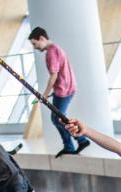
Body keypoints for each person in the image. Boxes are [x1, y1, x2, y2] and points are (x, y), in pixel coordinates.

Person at [28, 26, 90, 157]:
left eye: (35, 43)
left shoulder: (51, 52)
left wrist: (44, 94)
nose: (35, 47)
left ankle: (78, 141)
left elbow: (54, 76)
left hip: (63, 90)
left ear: (42, 38)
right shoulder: (57, 48)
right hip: (67, 87)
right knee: (59, 118)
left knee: (57, 119)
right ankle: (75, 143)